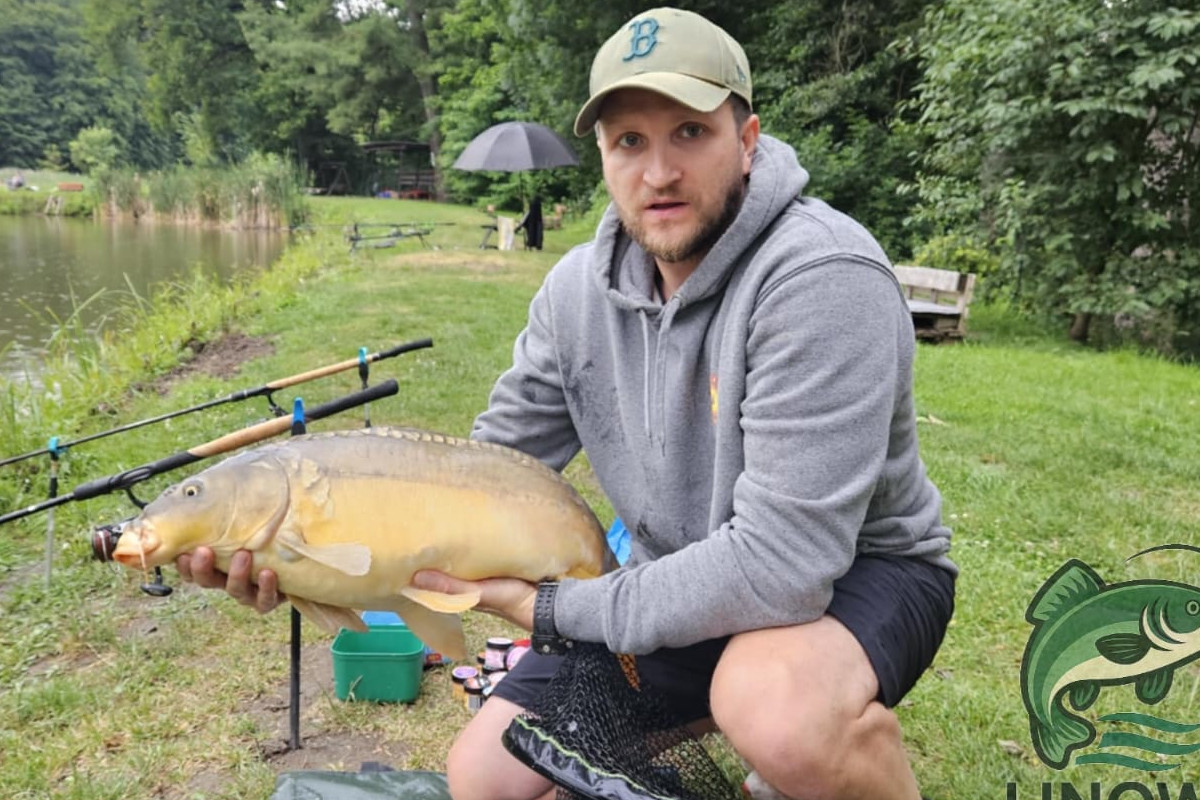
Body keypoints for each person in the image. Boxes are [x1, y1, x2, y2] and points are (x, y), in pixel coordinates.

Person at [178, 8, 955, 799]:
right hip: (672, 579)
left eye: (690, 132)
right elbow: (480, 477)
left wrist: (557, 608)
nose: (659, 173)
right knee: (483, 776)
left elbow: (785, 565)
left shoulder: (822, 278)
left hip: (858, 576)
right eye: (630, 141)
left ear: (747, 140)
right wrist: (307, 559)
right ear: (604, 155)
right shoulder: (576, 291)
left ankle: (807, 748)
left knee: (774, 709)